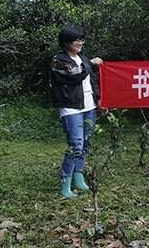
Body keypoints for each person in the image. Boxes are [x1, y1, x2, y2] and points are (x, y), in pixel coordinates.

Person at [50, 26, 103, 198]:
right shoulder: (59, 60)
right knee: (76, 145)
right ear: (66, 43)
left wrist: (99, 98)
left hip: (89, 107)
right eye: (76, 40)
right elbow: (75, 75)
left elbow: (91, 81)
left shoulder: (82, 58)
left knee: (86, 143)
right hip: (71, 108)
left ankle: (78, 177)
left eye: (81, 40)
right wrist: (90, 63)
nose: (80, 43)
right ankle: (65, 182)